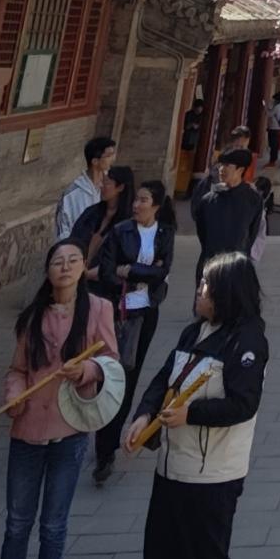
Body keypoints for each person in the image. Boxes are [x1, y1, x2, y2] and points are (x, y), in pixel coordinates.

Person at [108, 250, 270, 559]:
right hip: (171, 472)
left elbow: (243, 404)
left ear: (226, 292)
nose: (198, 292)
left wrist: (191, 414)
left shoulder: (248, 342)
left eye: (205, 285)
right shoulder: (191, 333)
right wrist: (142, 416)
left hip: (213, 478)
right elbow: (164, 379)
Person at [0, 239, 117, 559]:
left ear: (83, 267)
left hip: (70, 430)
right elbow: (18, 370)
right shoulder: (32, 317)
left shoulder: (99, 310)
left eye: (73, 260)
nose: (65, 267)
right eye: (58, 261)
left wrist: (86, 369)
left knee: (53, 526)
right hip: (28, 430)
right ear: (48, 271)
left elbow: (110, 362)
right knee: (16, 525)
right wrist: (13, 396)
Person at [89, 183, 177, 483]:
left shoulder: (164, 233)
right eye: (136, 199)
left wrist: (132, 270)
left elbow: (162, 272)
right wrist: (137, 274)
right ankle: (103, 446)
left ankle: (109, 444)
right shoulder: (121, 231)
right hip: (117, 311)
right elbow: (107, 272)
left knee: (130, 375)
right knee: (110, 373)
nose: (136, 205)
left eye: (143, 200)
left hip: (145, 313)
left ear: (156, 205)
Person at [190, 147, 264, 265]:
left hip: (237, 265)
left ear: (240, 170)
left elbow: (253, 233)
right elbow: (202, 232)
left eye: (227, 165)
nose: (221, 169)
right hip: (210, 263)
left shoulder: (253, 200)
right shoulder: (208, 200)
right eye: (221, 165)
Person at [57, 136, 118, 243]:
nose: (113, 159)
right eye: (109, 156)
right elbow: (63, 229)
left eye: (113, 154)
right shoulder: (72, 194)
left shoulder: (113, 187)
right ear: (95, 161)